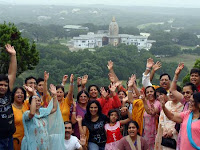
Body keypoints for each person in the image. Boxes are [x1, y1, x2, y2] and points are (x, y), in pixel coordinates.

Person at [21, 84, 65, 150]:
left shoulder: (42, 112)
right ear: (30, 104)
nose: (37, 103)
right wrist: (34, 95)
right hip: (32, 145)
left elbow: (54, 108)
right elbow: (32, 113)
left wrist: (55, 96)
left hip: (44, 145)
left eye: (39, 101)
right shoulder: (27, 114)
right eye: (35, 101)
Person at [0, 44, 17, 150]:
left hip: (9, 137)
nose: (3, 87)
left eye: (5, 85)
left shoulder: (7, 94)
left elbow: (12, 73)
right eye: (0, 85)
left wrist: (13, 56)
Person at [141, 86, 162, 150]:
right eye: (147, 92)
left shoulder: (158, 103)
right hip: (145, 132)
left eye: (151, 91)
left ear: (154, 92)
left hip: (155, 131)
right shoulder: (144, 102)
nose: (149, 93)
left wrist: (144, 101)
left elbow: (151, 112)